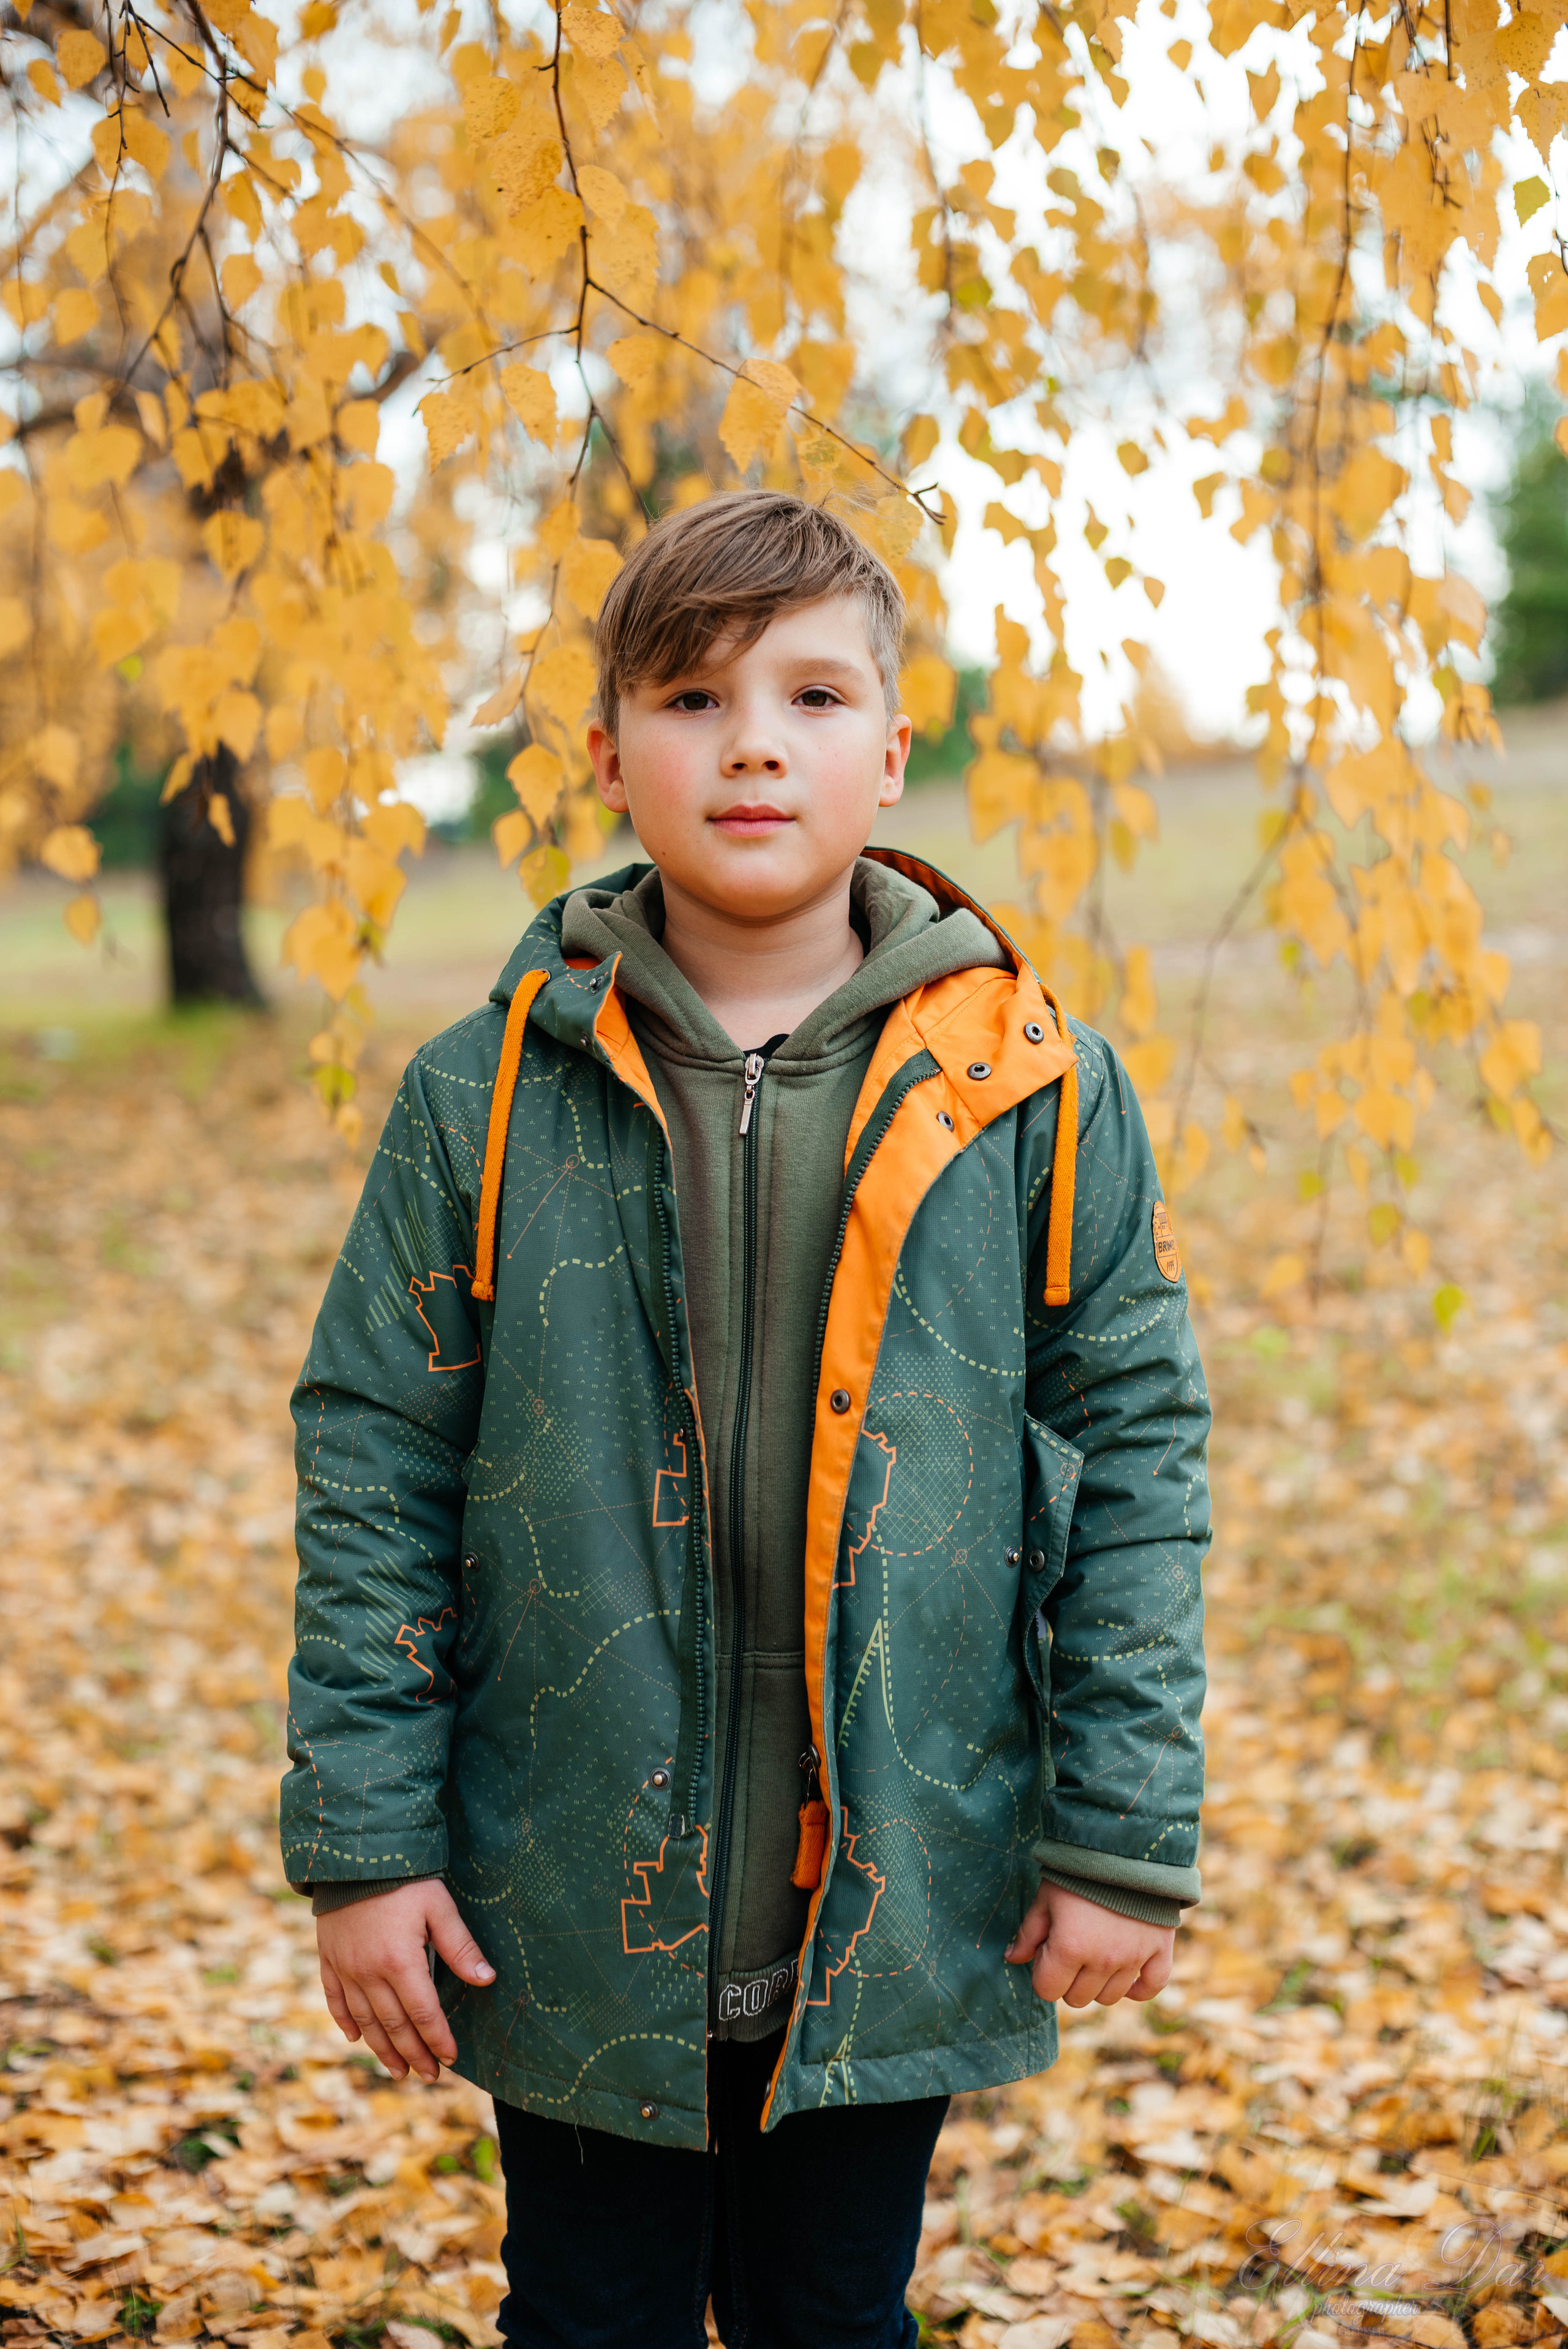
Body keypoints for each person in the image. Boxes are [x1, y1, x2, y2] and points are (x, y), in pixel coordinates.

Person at [281, 489, 1210, 2349]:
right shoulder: (485, 1095)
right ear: (609, 756)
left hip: (902, 1873)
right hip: (571, 1882)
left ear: (895, 748)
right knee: (589, 2317)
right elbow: (375, 1469)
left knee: (834, 2314)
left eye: (811, 696)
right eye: (694, 699)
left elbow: (1139, 1461)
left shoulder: (1034, 1088)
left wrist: (1120, 1831)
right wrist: (367, 1845)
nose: (755, 744)